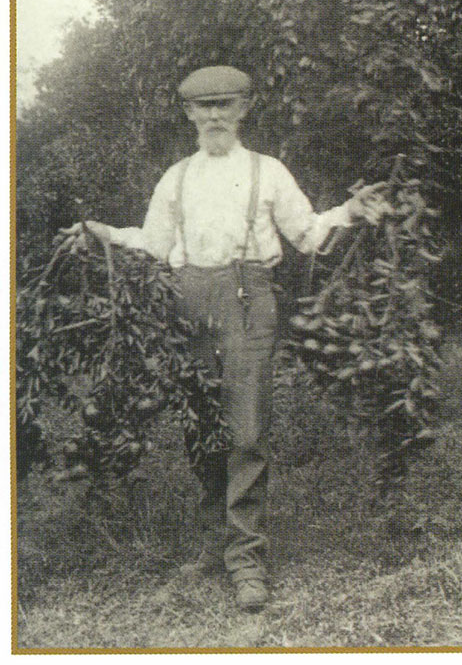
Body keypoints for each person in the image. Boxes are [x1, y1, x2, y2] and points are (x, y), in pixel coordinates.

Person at [64, 65, 390, 611]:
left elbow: (308, 234)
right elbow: (152, 241)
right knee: (201, 426)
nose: (214, 115)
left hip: (248, 301)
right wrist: (103, 233)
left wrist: (351, 212)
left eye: (225, 105)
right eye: (204, 106)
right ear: (188, 112)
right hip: (187, 303)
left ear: (244, 109)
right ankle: (217, 540)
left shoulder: (269, 172)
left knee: (245, 430)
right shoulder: (177, 177)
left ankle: (247, 560)